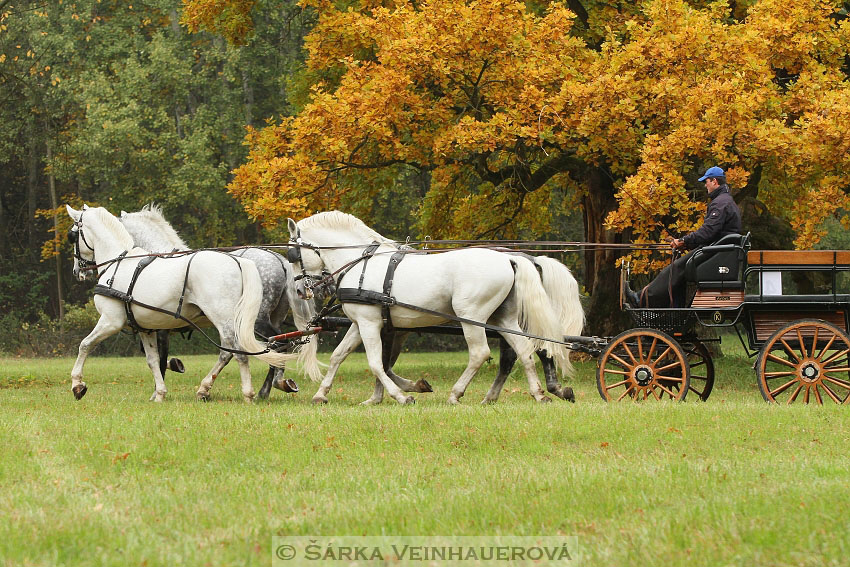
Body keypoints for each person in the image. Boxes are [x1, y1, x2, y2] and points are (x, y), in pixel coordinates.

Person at [624, 166, 742, 308]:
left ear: (714, 181)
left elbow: (707, 232)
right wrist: (686, 243)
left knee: (675, 269)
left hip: (716, 252)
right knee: (680, 271)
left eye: (707, 182)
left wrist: (683, 241)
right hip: (718, 250)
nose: (705, 185)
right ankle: (675, 308)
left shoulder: (720, 203)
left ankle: (641, 299)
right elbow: (711, 232)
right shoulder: (726, 201)